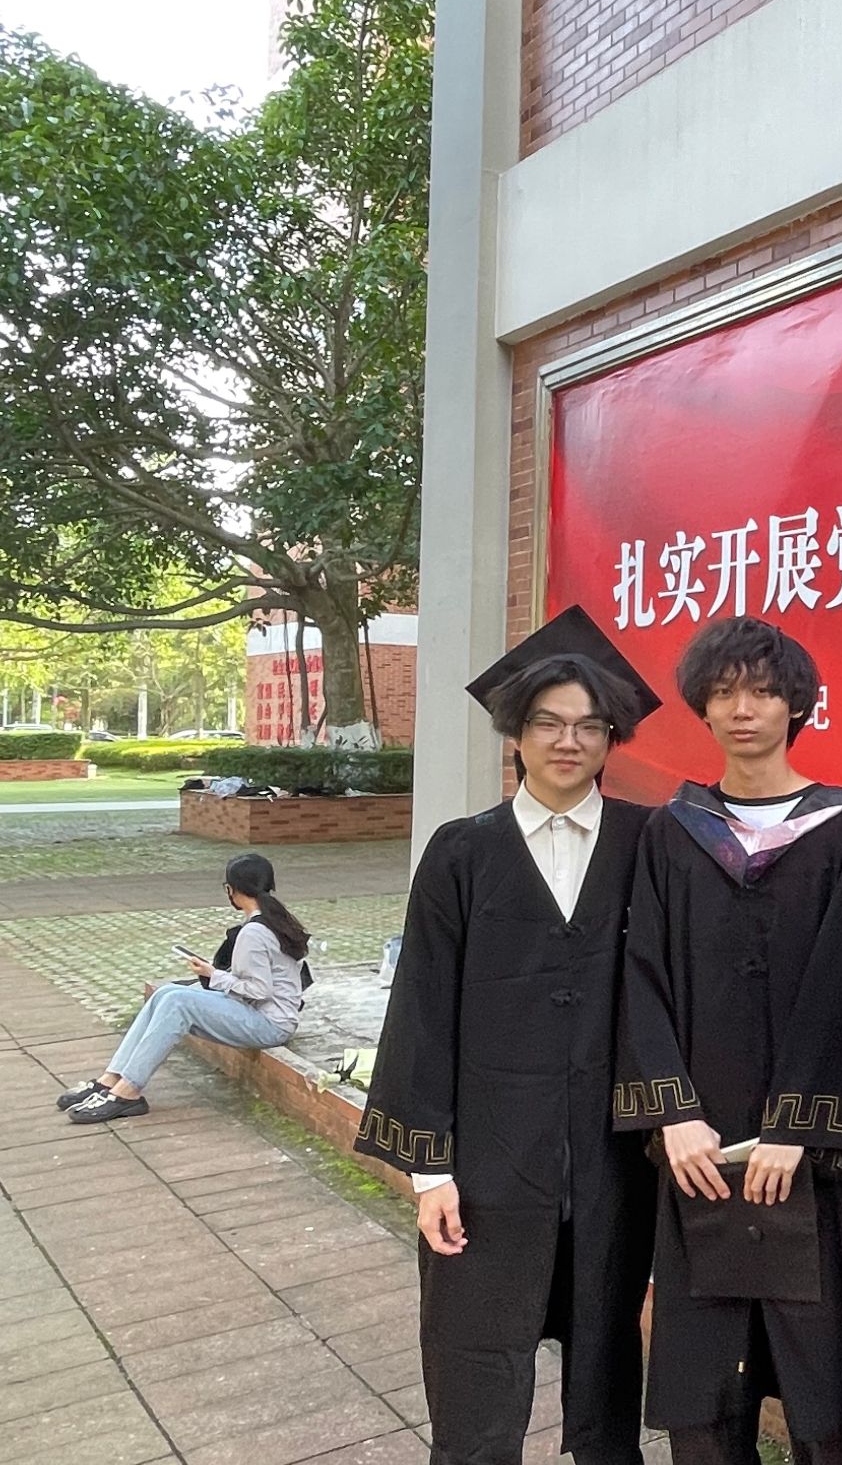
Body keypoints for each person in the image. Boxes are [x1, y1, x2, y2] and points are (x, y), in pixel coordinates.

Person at [356, 606, 661, 1465]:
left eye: (589, 725)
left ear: (611, 737)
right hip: (488, 1162)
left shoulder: (651, 844)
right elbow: (420, 1010)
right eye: (548, 723)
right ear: (516, 733)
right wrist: (430, 1171)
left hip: (612, 1160)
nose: (569, 741)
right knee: (475, 1367)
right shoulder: (462, 853)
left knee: (608, 1355)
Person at [613, 616, 842, 1465]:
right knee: (705, 1382)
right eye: (726, 692)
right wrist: (672, 1115)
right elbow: (642, 974)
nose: (743, 709)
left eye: (764, 692)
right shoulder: (674, 831)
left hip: (811, 1152)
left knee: (824, 1378)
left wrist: (795, 1126)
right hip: (701, 1143)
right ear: (701, 705)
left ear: (796, 705)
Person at [60, 852, 309, 1123]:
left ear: (232, 890)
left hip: (269, 1025)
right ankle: (111, 1078)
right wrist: (213, 975)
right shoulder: (271, 920)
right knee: (166, 993)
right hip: (259, 1014)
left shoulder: (255, 931)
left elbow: (260, 990)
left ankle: (128, 1092)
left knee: (177, 1002)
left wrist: (213, 975)